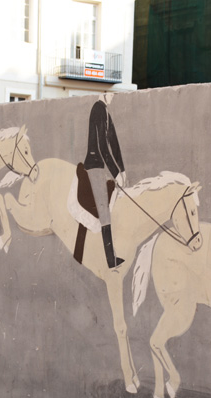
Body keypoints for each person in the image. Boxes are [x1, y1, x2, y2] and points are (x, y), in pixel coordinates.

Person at [83, 92, 128, 269]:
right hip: (94, 164)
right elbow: (102, 146)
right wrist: (115, 173)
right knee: (104, 211)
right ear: (103, 94)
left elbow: (113, 143)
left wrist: (122, 170)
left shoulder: (106, 112)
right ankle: (110, 260)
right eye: (110, 94)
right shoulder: (98, 109)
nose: (113, 96)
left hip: (101, 165)